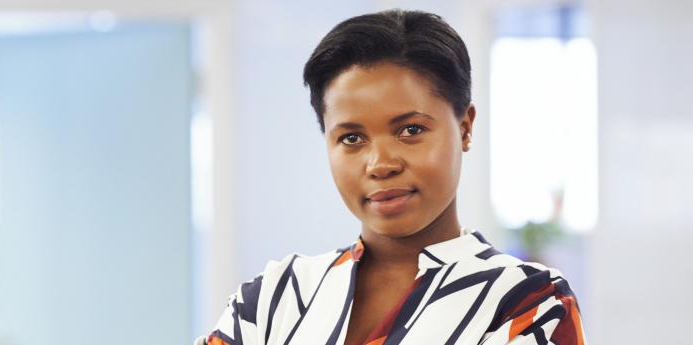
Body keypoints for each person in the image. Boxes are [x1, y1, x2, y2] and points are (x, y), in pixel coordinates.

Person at [196, 9, 586, 345]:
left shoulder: (526, 302)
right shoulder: (274, 296)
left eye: (411, 130)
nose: (380, 163)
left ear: (465, 127)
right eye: (351, 138)